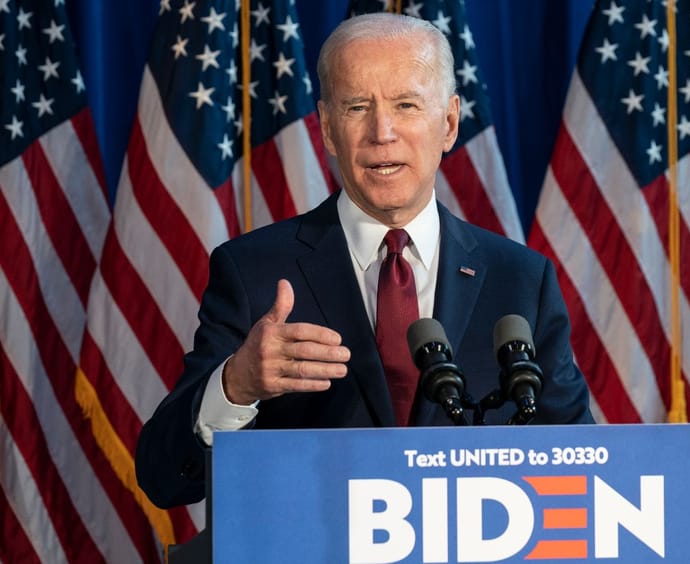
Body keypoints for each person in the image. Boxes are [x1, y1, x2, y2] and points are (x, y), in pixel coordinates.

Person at [135, 12, 593, 510]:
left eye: (406, 104)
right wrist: (237, 384)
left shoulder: (522, 279)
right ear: (328, 129)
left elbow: (583, 468)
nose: (383, 131)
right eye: (357, 107)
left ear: (449, 122)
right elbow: (164, 477)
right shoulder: (253, 272)